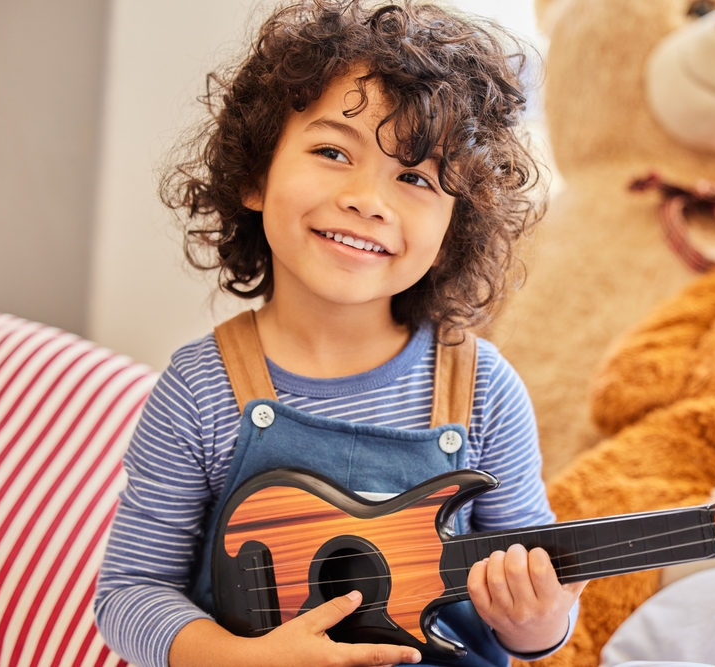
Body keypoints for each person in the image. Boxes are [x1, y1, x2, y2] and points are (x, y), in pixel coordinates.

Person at [94, 1, 584, 666]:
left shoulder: (483, 390)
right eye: (332, 151)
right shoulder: (200, 389)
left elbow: (532, 613)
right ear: (254, 175)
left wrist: (538, 618)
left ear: (454, 226)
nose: (367, 198)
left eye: (414, 176)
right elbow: (131, 592)